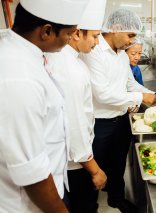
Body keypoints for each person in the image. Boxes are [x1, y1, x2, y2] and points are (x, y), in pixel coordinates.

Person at [0, 0, 89, 212]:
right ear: (47, 31)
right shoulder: (18, 76)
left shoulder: (26, 53)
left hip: (52, 186)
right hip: (29, 204)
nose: (70, 40)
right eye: (68, 34)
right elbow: (31, 172)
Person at [81, 9, 156, 213]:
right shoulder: (94, 52)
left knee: (118, 164)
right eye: (130, 35)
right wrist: (141, 98)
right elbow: (103, 94)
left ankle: (116, 199)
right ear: (115, 29)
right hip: (99, 123)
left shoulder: (122, 57)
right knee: (94, 169)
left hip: (120, 120)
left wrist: (150, 93)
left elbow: (130, 84)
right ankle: (90, 206)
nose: (131, 41)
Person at [45, 0, 107, 212]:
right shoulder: (69, 68)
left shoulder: (67, 59)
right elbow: (74, 125)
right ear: (77, 33)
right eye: (96, 36)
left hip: (73, 159)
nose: (97, 43)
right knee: (85, 206)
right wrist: (95, 170)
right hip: (75, 164)